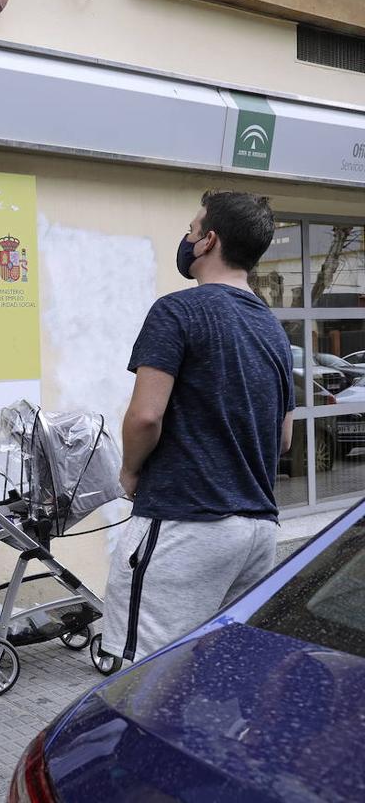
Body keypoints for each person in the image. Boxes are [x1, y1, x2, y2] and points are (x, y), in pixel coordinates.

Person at [104, 191, 294, 665]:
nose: (186, 238)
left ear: (208, 241)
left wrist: (129, 472)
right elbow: (284, 439)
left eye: (192, 230)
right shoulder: (274, 330)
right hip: (256, 532)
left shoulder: (177, 312)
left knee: (145, 674)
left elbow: (146, 415)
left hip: (185, 523)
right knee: (219, 672)